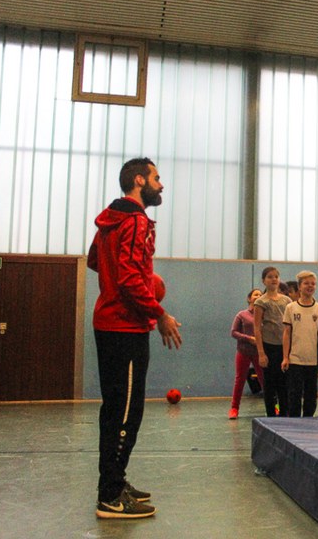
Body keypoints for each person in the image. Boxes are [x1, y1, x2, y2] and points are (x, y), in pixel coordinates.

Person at [88, 157, 182, 519]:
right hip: (125, 327)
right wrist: (159, 313)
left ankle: (114, 481)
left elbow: (95, 260)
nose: (161, 184)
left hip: (109, 323)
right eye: (156, 178)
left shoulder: (109, 219)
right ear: (139, 180)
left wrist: (139, 277)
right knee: (126, 414)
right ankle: (110, 496)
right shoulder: (137, 220)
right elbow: (128, 279)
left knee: (115, 410)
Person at [281, 271, 318, 417]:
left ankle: (308, 422)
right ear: (299, 286)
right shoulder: (291, 308)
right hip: (295, 358)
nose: (310, 286)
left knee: (311, 395)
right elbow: (287, 333)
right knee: (294, 394)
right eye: (306, 283)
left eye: (313, 283)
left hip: (312, 359)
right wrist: (285, 357)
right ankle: (294, 423)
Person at [254, 267, 291, 417]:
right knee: (269, 384)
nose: (274, 279)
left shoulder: (287, 301)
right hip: (269, 347)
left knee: (284, 383)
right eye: (270, 277)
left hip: (284, 347)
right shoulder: (260, 302)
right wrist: (261, 353)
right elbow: (257, 328)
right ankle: (271, 415)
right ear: (264, 281)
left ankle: (284, 414)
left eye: (276, 276)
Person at [228, 288, 264, 419]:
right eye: (255, 294)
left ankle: (273, 406)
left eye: (260, 295)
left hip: (260, 352)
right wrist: (249, 339)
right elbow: (233, 332)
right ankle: (234, 408)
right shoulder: (242, 315)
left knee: (264, 379)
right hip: (243, 351)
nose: (258, 296)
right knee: (240, 379)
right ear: (249, 298)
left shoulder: (265, 315)